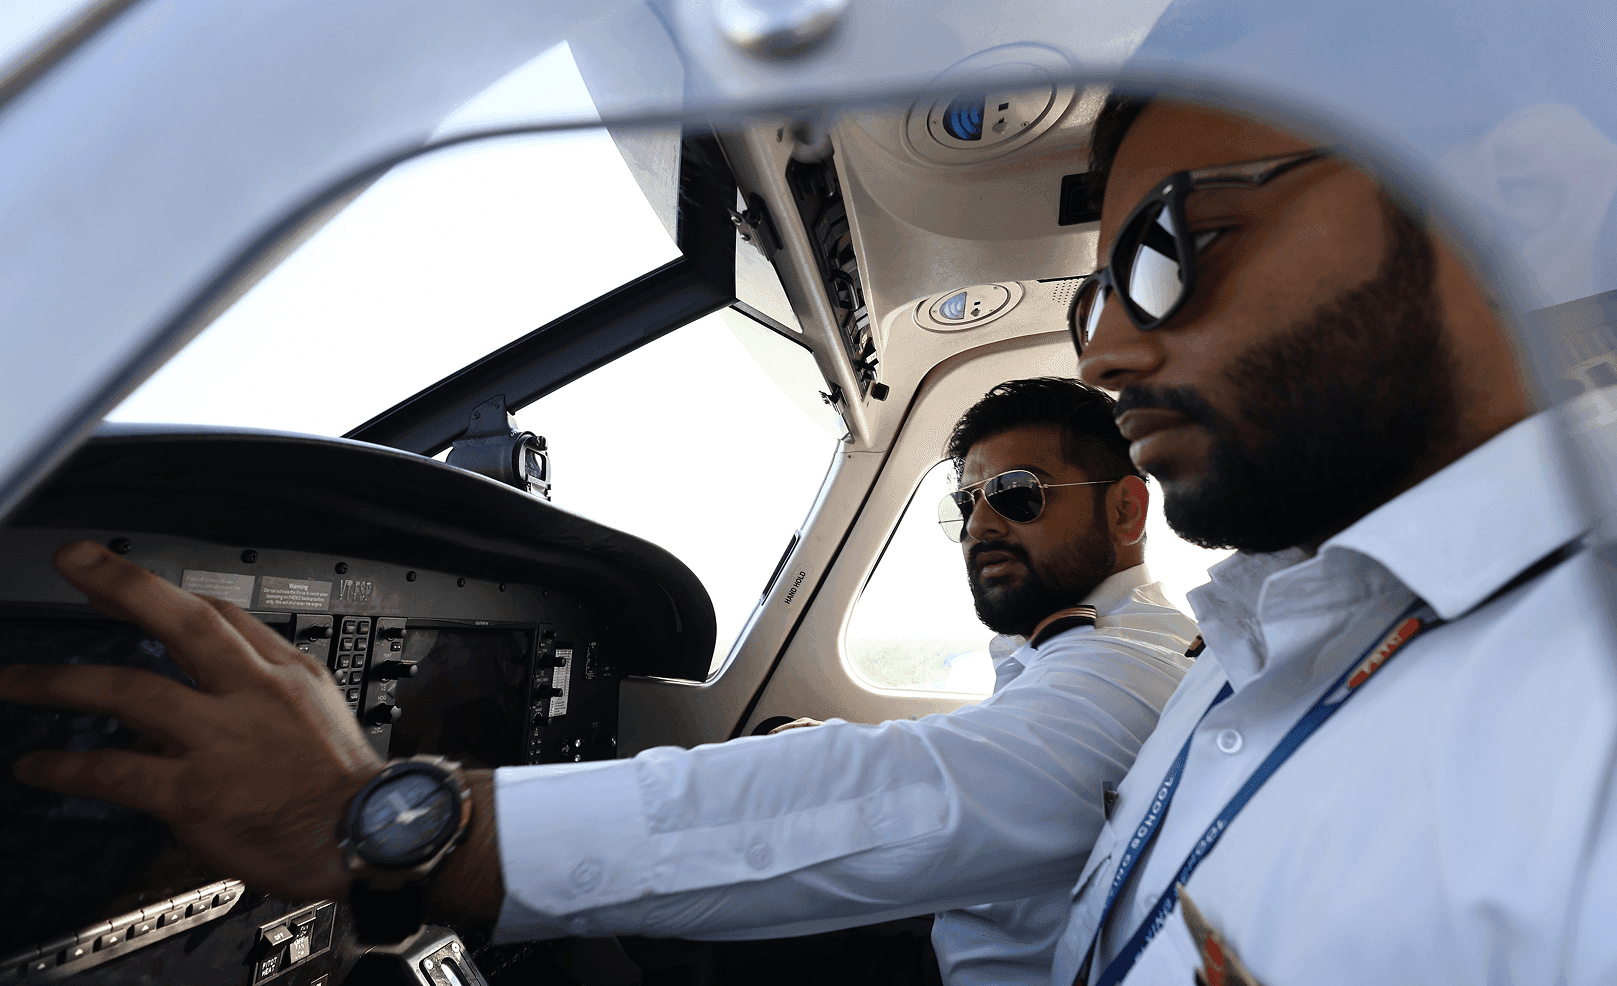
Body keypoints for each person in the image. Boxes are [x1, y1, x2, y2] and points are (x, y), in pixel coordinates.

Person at [0, 379, 1197, 984]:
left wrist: (392, 825)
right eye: (968, 500)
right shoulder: (1069, 649)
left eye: (1021, 495)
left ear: (1130, 507)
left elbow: (967, 789)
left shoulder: (1126, 661)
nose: (984, 522)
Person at [1049, 94, 1614, 985]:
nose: (1102, 357)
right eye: (1096, 299)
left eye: (1170, 246)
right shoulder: (1259, 612)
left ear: (1518, 200)